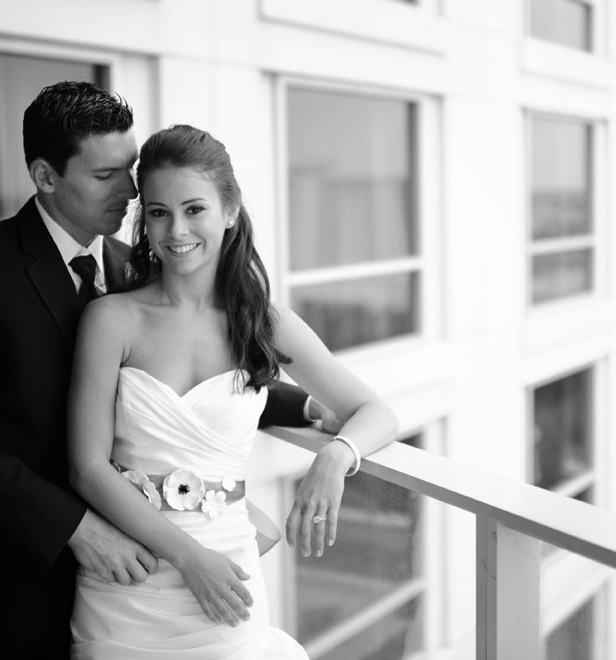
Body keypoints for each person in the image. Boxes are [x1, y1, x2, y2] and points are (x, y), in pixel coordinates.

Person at [0, 82, 327, 660]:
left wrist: (303, 407)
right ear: (45, 176)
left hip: (105, 592)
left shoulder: (127, 265)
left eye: (131, 170)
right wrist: (76, 527)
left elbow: (166, 383)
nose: (131, 191)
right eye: (104, 175)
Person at [67, 124, 398, 658]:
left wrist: (336, 457)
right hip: (129, 578)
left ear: (231, 210)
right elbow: (86, 467)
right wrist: (189, 559)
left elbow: (375, 411)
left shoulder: (265, 322)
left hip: (227, 582)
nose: (176, 230)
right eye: (158, 212)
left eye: (194, 209)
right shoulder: (111, 320)